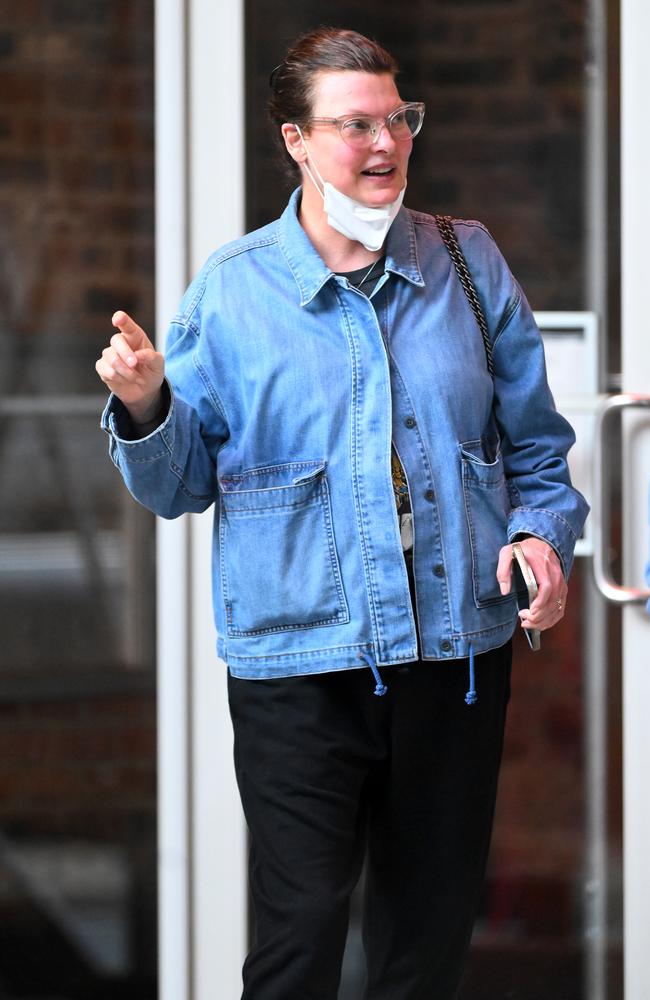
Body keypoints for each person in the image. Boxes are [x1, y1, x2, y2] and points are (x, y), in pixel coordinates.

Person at [96, 27, 589, 1000]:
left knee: (426, 937)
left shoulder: (467, 261)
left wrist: (541, 535)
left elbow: (534, 446)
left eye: (396, 120)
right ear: (296, 138)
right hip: (297, 667)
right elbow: (175, 486)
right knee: (302, 927)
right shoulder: (233, 292)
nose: (384, 145)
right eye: (353, 124)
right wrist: (149, 403)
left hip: (452, 657)